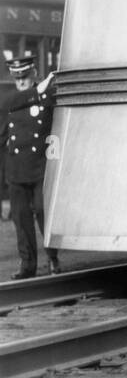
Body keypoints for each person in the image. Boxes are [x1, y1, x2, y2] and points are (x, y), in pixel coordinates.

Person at [4, 53, 59, 278]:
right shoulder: (10, 101)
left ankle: (53, 257)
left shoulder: (47, 97)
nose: (21, 82)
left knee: (43, 213)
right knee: (20, 218)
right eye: (17, 79)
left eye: (24, 77)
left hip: (39, 167)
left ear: (33, 73)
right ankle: (27, 266)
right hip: (16, 169)